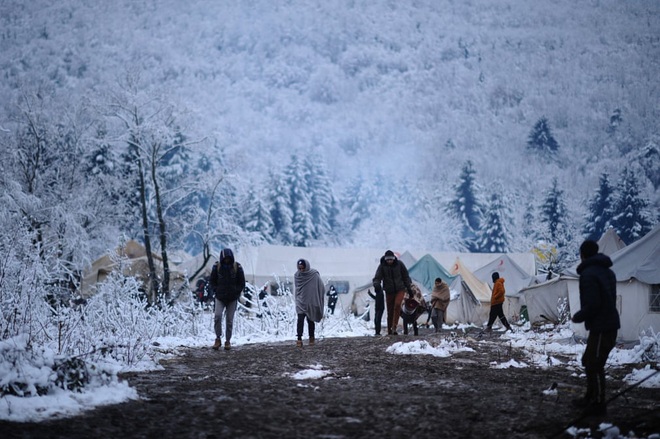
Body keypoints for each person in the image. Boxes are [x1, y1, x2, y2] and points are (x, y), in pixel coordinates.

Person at [571, 240, 620, 416]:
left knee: (594, 363)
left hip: (602, 326)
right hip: (607, 325)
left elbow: (593, 303)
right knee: (589, 361)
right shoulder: (609, 272)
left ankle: (598, 402)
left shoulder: (589, 275)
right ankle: (590, 397)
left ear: (582, 255)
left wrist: (578, 316)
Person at [209, 248, 245, 351]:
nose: (227, 260)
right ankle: (218, 338)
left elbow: (242, 282)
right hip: (220, 297)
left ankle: (228, 340)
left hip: (232, 298)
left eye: (228, 259)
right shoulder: (217, 267)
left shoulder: (237, 267)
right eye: (225, 259)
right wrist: (216, 290)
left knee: (229, 320)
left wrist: (236, 291)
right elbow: (212, 280)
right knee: (217, 316)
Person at [372, 250, 414, 335]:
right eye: (388, 260)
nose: (389, 261)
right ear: (385, 259)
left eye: (391, 259)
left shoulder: (400, 264)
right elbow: (377, 277)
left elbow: (405, 276)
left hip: (400, 289)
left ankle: (394, 327)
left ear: (394, 259)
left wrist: (409, 288)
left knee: (397, 305)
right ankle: (389, 329)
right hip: (389, 291)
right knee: (390, 310)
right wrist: (376, 284)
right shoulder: (382, 266)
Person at [294, 259, 325, 348]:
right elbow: (297, 289)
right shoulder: (297, 276)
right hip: (300, 302)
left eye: (303, 268)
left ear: (306, 266)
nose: (301, 270)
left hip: (311, 302)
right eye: (299, 268)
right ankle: (299, 339)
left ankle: (311, 337)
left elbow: (321, 286)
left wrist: (316, 297)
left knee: (310, 320)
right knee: (300, 320)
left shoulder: (313, 275)